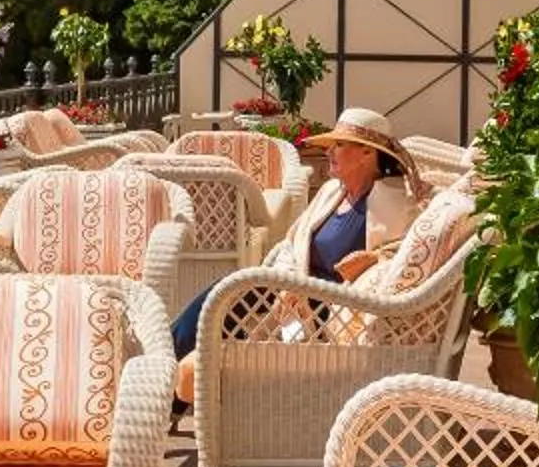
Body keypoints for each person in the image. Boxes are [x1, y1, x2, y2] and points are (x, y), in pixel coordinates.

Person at [168, 108, 424, 358]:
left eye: (339, 145)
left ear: (367, 152)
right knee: (224, 294)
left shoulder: (394, 203)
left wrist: (371, 260)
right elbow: (292, 243)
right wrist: (287, 285)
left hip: (333, 309)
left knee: (227, 303)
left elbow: (399, 259)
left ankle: (170, 370)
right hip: (292, 291)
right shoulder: (332, 192)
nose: (329, 151)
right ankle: (171, 360)